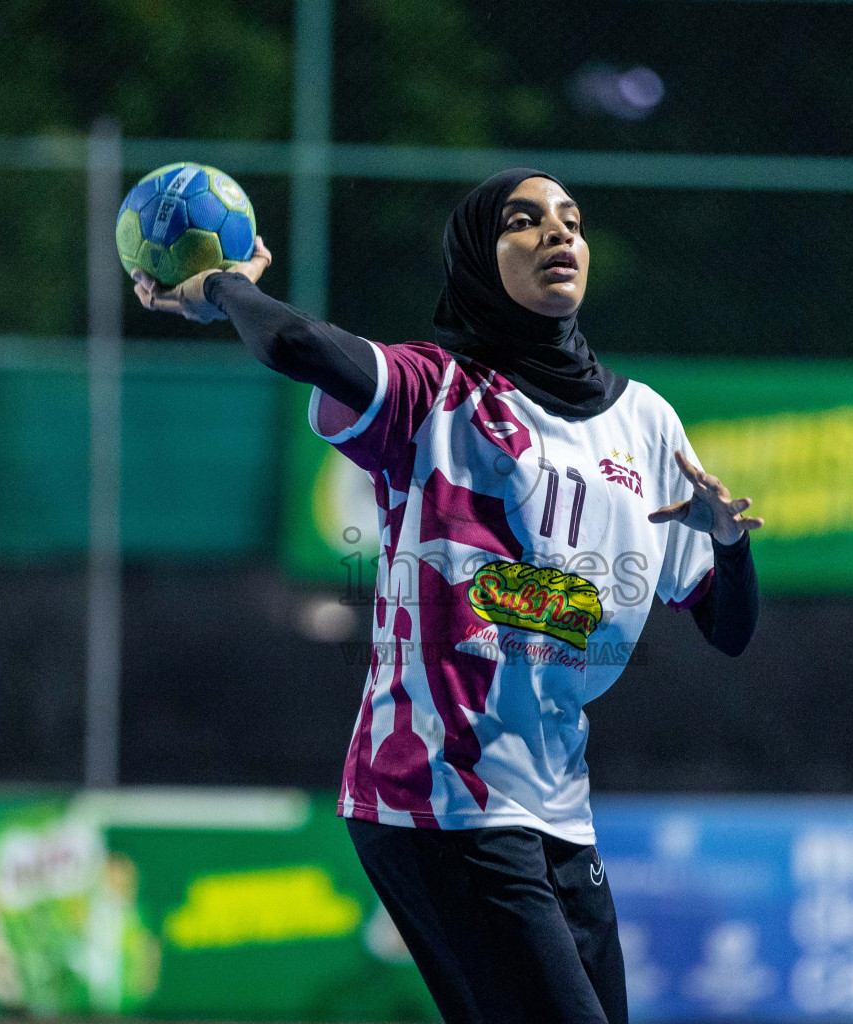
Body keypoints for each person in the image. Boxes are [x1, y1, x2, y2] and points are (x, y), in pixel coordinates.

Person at [134, 168, 760, 1024]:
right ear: (475, 256)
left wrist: (729, 543)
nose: (558, 234)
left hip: (559, 807)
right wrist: (225, 288)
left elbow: (728, 627)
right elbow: (298, 347)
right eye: (524, 221)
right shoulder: (437, 395)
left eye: (571, 221)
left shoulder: (644, 421)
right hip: (437, 796)